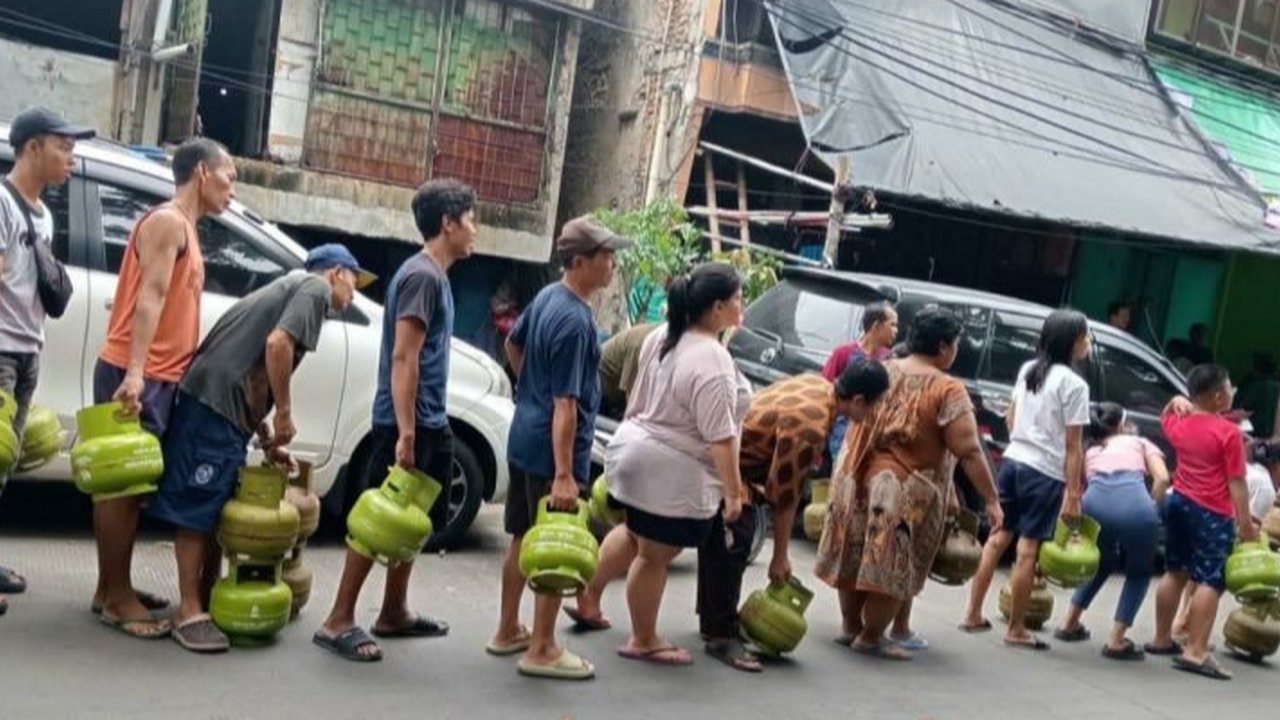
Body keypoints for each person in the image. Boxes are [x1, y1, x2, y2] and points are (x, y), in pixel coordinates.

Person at [566, 357, 893, 672]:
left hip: (678, 450)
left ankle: (589, 597)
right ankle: (718, 633)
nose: (878, 413)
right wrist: (780, 556)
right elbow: (784, 497)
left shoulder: (814, 384)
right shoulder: (811, 424)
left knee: (641, 531)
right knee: (733, 534)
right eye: (877, 405)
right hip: (713, 466)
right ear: (860, 400)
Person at [149, 244, 369, 653]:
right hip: (212, 401)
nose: (354, 293)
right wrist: (284, 412)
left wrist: (266, 437)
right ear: (337, 272)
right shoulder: (314, 291)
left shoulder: (292, 289)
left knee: (214, 503)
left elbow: (255, 377)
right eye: (355, 280)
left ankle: (207, 594)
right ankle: (189, 610)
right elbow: (277, 346)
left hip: (221, 404)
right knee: (197, 506)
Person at [315, 180, 474, 662]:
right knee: (377, 523)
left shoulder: (434, 276)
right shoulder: (422, 276)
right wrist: (406, 431)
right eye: (470, 219)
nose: (474, 229)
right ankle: (338, 618)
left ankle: (393, 611)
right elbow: (405, 357)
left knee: (413, 520)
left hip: (428, 420)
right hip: (410, 423)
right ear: (448, 224)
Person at [90, 137, 234, 639]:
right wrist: (134, 373)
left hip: (157, 376)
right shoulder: (169, 222)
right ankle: (116, 597)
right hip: (138, 375)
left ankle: (109, 586)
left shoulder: (186, 230)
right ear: (200, 171)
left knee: (128, 485)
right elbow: (149, 297)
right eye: (228, 176)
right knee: (122, 490)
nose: (231, 189)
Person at [816, 307, 1002, 660]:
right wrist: (991, 499)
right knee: (892, 563)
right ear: (945, 347)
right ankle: (871, 636)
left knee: (855, 552)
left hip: (854, 476)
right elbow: (969, 450)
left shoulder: (884, 368)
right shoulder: (947, 389)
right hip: (901, 488)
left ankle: (852, 626)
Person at [489, 216, 630, 680]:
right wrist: (566, 474)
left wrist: (529, 386)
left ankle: (509, 628)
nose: (612, 264)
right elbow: (566, 405)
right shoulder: (574, 321)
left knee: (522, 536)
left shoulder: (549, 297)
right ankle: (543, 648)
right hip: (553, 452)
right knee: (555, 546)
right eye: (606, 256)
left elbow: (513, 343)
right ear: (580, 262)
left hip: (525, 434)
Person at [600, 263, 751, 669]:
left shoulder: (664, 337)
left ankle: (588, 599)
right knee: (654, 556)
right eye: (738, 299)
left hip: (634, 451)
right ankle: (643, 637)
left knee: (635, 536)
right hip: (668, 470)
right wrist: (734, 493)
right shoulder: (712, 358)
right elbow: (721, 437)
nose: (743, 306)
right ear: (718, 307)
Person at [0, 107, 95, 618]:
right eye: (65, 147)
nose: (71, 160)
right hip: (0, 351)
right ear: (33, 146)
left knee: (3, 462)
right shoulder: (1, 203)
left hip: (26, 348)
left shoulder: (43, 214)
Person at [962, 309, 1091, 650]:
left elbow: (1011, 415)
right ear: (1072, 341)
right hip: (1044, 470)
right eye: (1084, 336)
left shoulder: (1028, 370)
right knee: (1027, 550)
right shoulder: (1075, 385)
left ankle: (973, 613)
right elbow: (1073, 446)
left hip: (1014, 460)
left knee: (996, 538)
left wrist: (1023, 439)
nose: (1087, 342)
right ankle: (1016, 628)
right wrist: (1074, 493)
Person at [1147, 365, 1256, 681]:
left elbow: (1166, 413)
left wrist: (1177, 400)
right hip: (1212, 511)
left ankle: (1161, 638)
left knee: (1175, 571)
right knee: (1211, 579)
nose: (1233, 391)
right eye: (1230, 387)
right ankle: (1195, 650)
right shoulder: (1229, 434)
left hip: (1178, 502)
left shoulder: (1179, 423)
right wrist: (1246, 524)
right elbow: (1237, 482)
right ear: (1220, 397)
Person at [1053, 403, 1169, 660]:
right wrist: (1152, 509)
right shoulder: (1140, 443)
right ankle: (1117, 640)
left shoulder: (1090, 449)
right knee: (1139, 573)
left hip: (1094, 507)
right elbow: (1162, 479)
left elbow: (1076, 485)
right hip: (1136, 509)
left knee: (1102, 562)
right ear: (1121, 426)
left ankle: (1069, 621)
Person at [822, 302, 899, 461]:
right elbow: (826, 389)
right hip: (838, 437)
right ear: (876, 326)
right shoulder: (843, 353)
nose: (896, 331)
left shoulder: (891, 359)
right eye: (892, 325)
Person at [598, 322, 659, 419]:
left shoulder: (654, 342)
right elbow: (630, 393)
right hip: (602, 389)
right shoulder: (639, 345)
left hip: (618, 393)